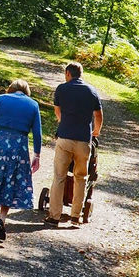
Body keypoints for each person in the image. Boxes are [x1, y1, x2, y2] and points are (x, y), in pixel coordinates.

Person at [0, 79, 42, 242]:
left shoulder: (0, 99)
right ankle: (2, 219)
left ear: (10, 89)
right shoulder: (33, 105)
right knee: (11, 182)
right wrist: (37, 155)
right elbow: (37, 134)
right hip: (19, 146)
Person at [44, 62, 103, 229]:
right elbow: (98, 115)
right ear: (81, 74)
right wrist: (96, 131)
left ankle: (54, 216)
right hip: (84, 140)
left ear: (68, 74)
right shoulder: (91, 91)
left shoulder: (62, 89)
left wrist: (64, 122)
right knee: (81, 178)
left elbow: (58, 111)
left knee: (59, 176)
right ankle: (75, 217)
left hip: (65, 138)